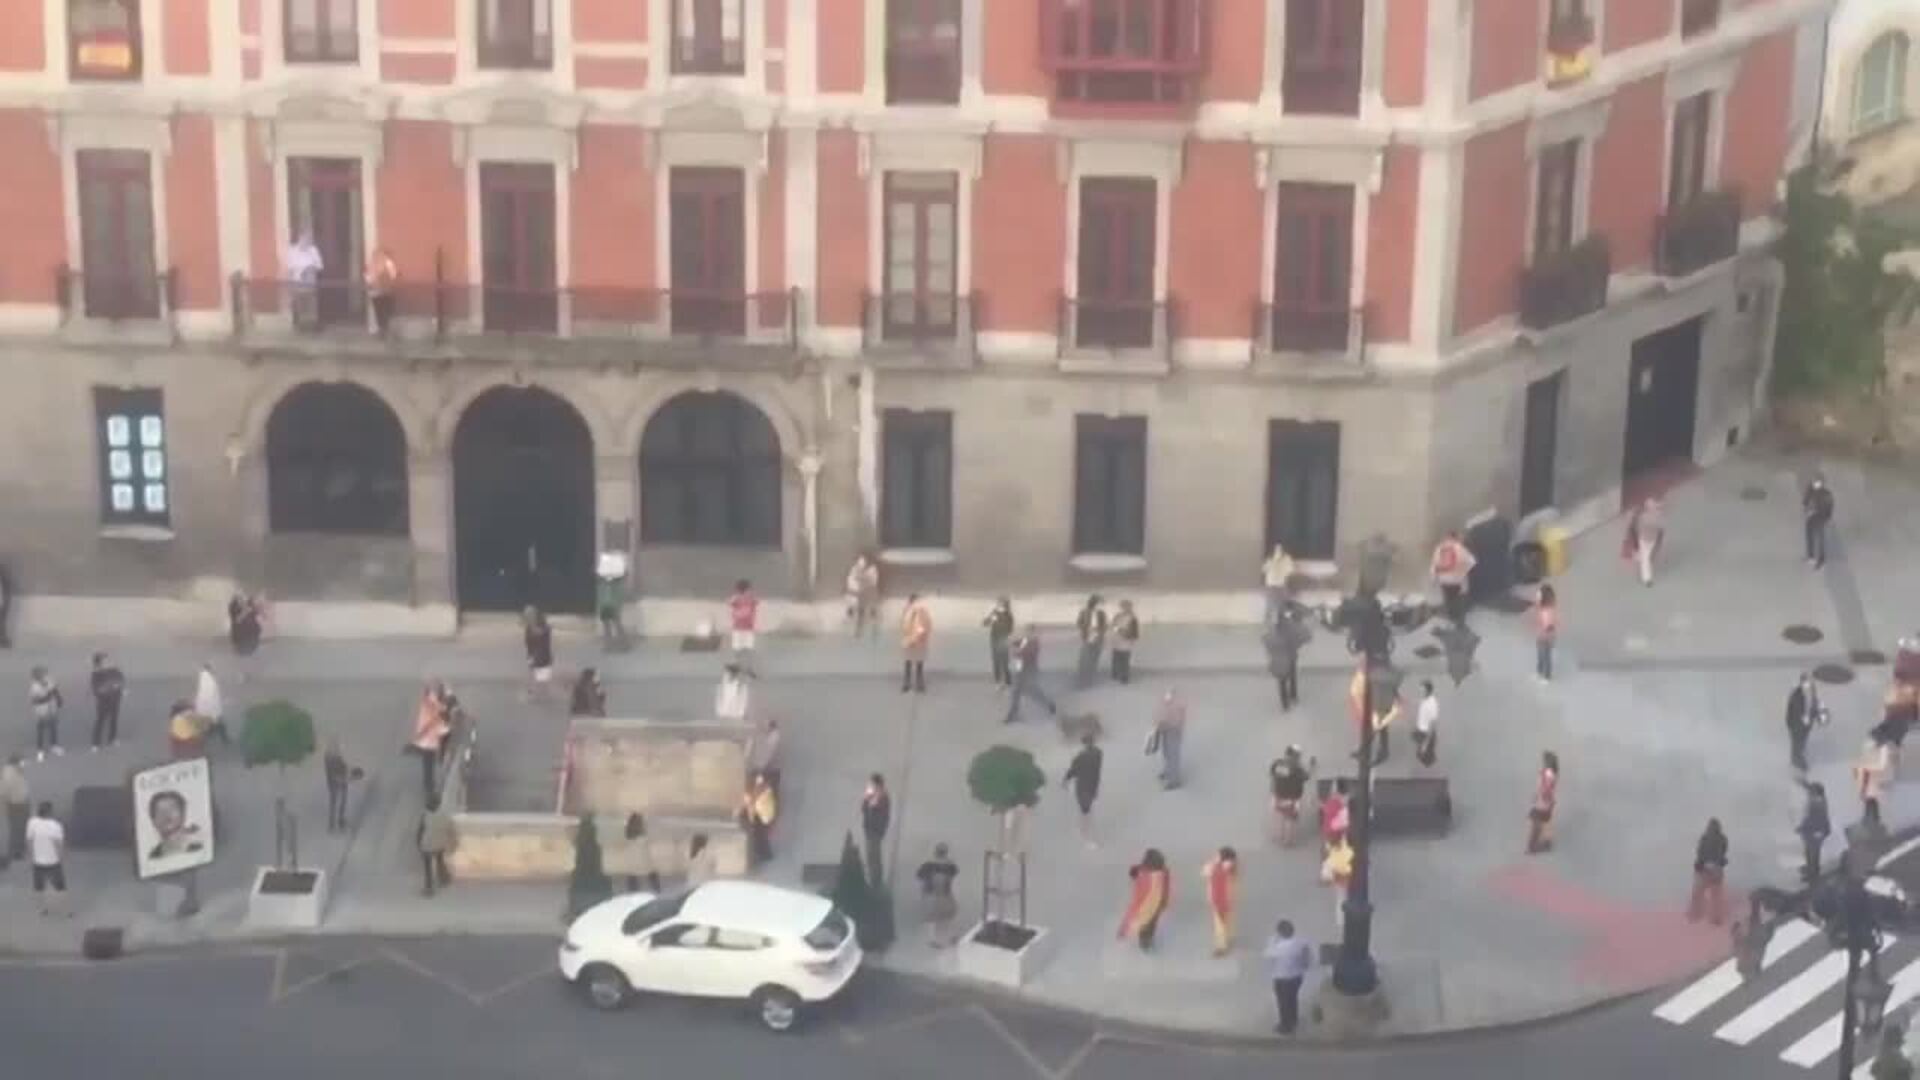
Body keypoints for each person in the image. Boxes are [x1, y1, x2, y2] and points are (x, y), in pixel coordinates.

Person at [1264, 919, 1313, 1035]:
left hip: (1281, 978)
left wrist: (1273, 941)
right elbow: (1307, 957)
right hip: (1296, 977)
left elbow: (1267, 956)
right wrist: (1304, 966)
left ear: (1280, 932)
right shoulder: (1300, 943)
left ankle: (1285, 1026)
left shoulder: (1276, 946)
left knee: (1283, 1002)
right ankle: (1293, 1020)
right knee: (1292, 999)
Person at [1117, 849, 1171, 952]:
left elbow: (1166, 888)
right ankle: (1145, 944)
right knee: (1146, 925)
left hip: (1154, 905)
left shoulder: (1162, 872)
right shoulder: (1147, 875)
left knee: (1149, 924)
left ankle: (1146, 943)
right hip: (1148, 905)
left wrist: (1164, 901)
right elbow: (1136, 904)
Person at [1006, 624, 1058, 724]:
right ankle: (1013, 713)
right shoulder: (1025, 640)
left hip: (1029, 670)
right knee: (1016, 691)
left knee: (1032, 691)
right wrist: (1011, 642)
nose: (1027, 634)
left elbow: (1024, 654)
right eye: (1027, 632)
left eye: (1030, 632)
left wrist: (1014, 651)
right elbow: (1016, 644)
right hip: (1020, 668)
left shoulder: (1034, 644)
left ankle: (1049, 704)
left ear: (1034, 634)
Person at [409, 681, 452, 800]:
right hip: (430, 740)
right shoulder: (432, 704)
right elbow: (438, 712)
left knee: (429, 763)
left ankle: (430, 786)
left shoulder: (429, 702)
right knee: (431, 762)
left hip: (431, 739)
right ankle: (431, 788)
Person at [26, 801, 67, 917]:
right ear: (50, 812)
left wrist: (31, 856)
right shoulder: (55, 826)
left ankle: (42, 910)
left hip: (38, 861)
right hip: (53, 861)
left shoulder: (32, 823)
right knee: (60, 887)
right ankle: (65, 910)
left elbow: (29, 841)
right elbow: (58, 845)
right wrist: (62, 858)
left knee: (39, 887)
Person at [915, 842, 960, 948]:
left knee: (932, 917)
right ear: (946, 853)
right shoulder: (951, 865)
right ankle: (952, 936)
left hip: (931, 893)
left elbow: (919, 876)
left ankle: (933, 939)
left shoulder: (928, 864)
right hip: (945, 893)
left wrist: (923, 891)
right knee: (949, 915)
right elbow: (954, 877)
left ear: (936, 852)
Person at [1062, 734, 1103, 847]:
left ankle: (1086, 836)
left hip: (1082, 787)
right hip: (1093, 786)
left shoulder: (1081, 757)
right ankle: (1085, 833)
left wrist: (1065, 780)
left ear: (1084, 744)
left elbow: (1073, 770)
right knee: (1087, 811)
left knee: (1085, 811)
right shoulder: (1098, 753)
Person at [1430, 531, 1477, 626]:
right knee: (1459, 602)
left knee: (1449, 601)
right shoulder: (1459, 548)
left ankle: (1451, 620)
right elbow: (1471, 562)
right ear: (1455, 538)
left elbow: (1434, 565)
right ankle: (1460, 623)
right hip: (1457, 582)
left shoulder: (1440, 548)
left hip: (1444, 581)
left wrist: (1434, 578)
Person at [1689, 818, 1730, 925]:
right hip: (1715, 869)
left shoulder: (1705, 838)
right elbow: (1724, 851)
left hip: (1706, 869)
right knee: (1715, 895)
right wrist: (1721, 861)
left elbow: (1700, 852)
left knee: (1699, 893)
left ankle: (1695, 914)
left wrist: (1700, 863)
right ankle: (1715, 918)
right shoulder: (1722, 838)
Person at [1269, 746, 1311, 847]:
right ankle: (1287, 841)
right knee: (1290, 818)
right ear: (1296, 757)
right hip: (1293, 798)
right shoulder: (1298, 769)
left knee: (1281, 815)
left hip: (1278, 795)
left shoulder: (1278, 763)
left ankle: (1279, 836)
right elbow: (1306, 777)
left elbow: (1272, 773)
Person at [146, 790, 205, 860]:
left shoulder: (201, 845)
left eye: (172, 809)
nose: (167, 815)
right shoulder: (153, 856)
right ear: (153, 821)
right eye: (161, 811)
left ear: (183, 814)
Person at [1202, 847, 1239, 957]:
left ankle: (1221, 946)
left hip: (1218, 899)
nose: (1215, 856)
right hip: (1229, 898)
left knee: (1219, 924)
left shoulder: (1214, 868)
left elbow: (1205, 873)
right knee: (1227, 919)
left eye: (1217, 855)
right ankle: (1229, 936)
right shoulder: (1233, 867)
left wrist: (1213, 863)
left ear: (1222, 857)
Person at [1265, 613, 1307, 712]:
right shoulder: (1289, 635)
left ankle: (1285, 704)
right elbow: (1297, 643)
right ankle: (1293, 696)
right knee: (1292, 677)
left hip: (1278, 661)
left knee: (1282, 683)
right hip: (1290, 659)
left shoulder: (1270, 636)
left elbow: (1267, 645)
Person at [286, 230, 324, 329]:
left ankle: (312, 324)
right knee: (300, 304)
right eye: (304, 239)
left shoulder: (313, 250)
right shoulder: (292, 251)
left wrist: (310, 268)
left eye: (308, 239)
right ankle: (301, 325)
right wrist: (291, 283)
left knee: (311, 304)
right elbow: (290, 268)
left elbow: (320, 266)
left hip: (310, 281)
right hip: (298, 281)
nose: (306, 241)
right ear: (299, 239)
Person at [1624, 497, 1664, 587]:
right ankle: (1647, 579)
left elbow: (1638, 526)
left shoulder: (1644, 516)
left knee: (1645, 555)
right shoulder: (1655, 516)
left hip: (1646, 538)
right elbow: (1660, 526)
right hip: (1648, 539)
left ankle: (1637, 556)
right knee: (1646, 557)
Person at [417, 795, 453, 897]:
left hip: (427, 844)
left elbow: (421, 830)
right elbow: (449, 828)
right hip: (439, 843)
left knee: (427, 866)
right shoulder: (444, 814)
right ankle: (444, 878)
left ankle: (429, 887)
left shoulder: (425, 815)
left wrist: (418, 842)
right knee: (440, 860)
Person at [1150, 690, 1187, 789]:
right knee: (1166, 752)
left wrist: (1161, 725)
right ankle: (1168, 771)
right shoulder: (1166, 703)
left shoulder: (1177, 706)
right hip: (1166, 730)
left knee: (1173, 755)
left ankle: (1174, 780)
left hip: (1173, 732)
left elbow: (1175, 721)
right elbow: (1160, 715)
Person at [88, 651, 124, 750]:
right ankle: (95, 743)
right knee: (100, 721)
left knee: (114, 720)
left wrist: (119, 687)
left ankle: (112, 738)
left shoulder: (114, 670)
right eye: (105, 660)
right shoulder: (96, 674)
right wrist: (110, 687)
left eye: (107, 660)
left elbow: (121, 679)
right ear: (99, 663)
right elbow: (96, 689)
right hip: (103, 701)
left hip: (115, 699)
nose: (108, 662)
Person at [1786, 673, 1822, 773]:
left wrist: (1817, 714)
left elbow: (1814, 704)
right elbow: (1797, 709)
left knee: (1802, 740)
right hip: (1796, 725)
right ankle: (1796, 761)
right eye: (1807, 683)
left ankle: (1798, 754)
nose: (1809, 685)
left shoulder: (1811, 691)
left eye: (1810, 683)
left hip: (1805, 725)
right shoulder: (1796, 695)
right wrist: (1804, 717)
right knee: (1797, 742)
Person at [740, 773, 777, 866]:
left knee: (760, 837)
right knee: (760, 837)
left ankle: (765, 854)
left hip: (762, 817)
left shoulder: (763, 791)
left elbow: (753, 801)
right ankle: (764, 854)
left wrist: (749, 801)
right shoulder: (763, 790)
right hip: (761, 816)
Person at [860, 774, 891, 886]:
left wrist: (870, 796)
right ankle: (872, 879)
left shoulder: (882, 795)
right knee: (870, 855)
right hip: (870, 829)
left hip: (876, 830)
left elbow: (875, 807)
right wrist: (867, 797)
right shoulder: (873, 795)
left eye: (871, 784)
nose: (870, 786)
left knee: (874, 856)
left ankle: (875, 881)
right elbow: (864, 808)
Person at [1527, 751, 1560, 854]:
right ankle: (1547, 842)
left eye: (1545, 760)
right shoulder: (1551, 772)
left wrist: (1540, 796)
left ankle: (1533, 846)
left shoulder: (1548, 773)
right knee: (1544, 821)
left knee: (1536, 822)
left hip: (1543, 802)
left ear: (1548, 762)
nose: (1543, 762)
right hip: (1546, 802)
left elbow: (1546, 787)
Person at [1798, 781, 1831, 884]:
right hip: (1815, 831)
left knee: (1812, 854)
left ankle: (1813, 875)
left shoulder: (1818, 803)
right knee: (1810, 852)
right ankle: (1811, 872)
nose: (1809, 794)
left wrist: (1803, 827)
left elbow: (1814, 819)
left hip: (1815, 832)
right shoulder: (1819, 800)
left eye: (1811, 792)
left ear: (1815, 793)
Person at [1321, 832, 1355, 928]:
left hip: (1340, 876)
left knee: (1341, 898)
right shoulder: (1347, 845)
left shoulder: (1330, 848)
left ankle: (1342, 921)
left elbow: (1327, 871)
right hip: (1346, 875)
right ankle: (1345, 919)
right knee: (1345, 896)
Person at [0, 756, 28, 869]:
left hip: (17, 803)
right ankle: (13, 853)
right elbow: (5, 792)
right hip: (15, 805)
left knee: (17, 829)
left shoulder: (15, 772)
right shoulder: (9, 773)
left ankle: (16, 852)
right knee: (15, 829)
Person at [1074, 595, 1108, 690]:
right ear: (1093, 603)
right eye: (1098, 603)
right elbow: (1078, 623)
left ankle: (1090, 678)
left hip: (1098, 637)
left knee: (1095, 657)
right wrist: (1086, 628)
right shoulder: (1084, 612)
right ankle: (1082, 678)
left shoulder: (1101, 613)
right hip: (1087, 636)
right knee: (1084, 659)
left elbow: (1105, 625)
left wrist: (1100, 631)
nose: (1100, 605)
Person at [900, 594, 931, 693]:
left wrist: (921, 634)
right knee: (908, 663)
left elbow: (927, 624)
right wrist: (908, 636)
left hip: (919, 641)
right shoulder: (907, 611)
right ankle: (907, 684)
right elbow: (904, 624)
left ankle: (918, 684)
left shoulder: (923, 612)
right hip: (910, 640)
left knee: (918, 664)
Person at [29, 665, 62, 761]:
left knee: (53, 727)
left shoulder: (50, 681)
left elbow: (55, 690)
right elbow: (35, 701)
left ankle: (54, 746)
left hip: (52, 708)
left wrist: (59, 698)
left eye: (46, 674)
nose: (46, 676)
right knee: (41, 730)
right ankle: (40, 751)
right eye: (44, 674)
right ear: (38, 677)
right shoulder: (34, 687)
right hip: (41, 711)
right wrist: (48, 695)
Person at [623, 813, 661, 893]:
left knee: (632, 875)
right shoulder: (642, 834)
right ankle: (657, 890)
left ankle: (632, 892)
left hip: (633, 860)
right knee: (651, 873)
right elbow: (647, 840)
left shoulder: (628, 833)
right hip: (643, 859)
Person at [364, 246, 398, 336]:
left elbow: (368, 279)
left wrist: (372, 282)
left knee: (379, 312)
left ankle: (382, 330)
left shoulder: (371, 263)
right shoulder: (388, 262)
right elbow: (393, 275)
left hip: (376, 292)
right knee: (386, 312)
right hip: (386, 291)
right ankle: (385, 330)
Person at [522, 607, 554, 701]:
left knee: (541, 678)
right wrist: (529, 655)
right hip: (534, 654)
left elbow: (541, 633)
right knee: (533, 675)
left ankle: (539, 694)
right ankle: (533, 693)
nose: (528, 618)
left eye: (529, 615)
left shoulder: (544, 627)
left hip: (543, 655)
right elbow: (527, 642)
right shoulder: (529, 628)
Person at [727, 580, 760, 672]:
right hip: (748, 626)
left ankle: (737, 665)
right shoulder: (751, 598)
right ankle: (748, 667)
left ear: (738, 589)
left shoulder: (736, 598)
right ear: (747, 589)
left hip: (738, 626)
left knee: (737, 647)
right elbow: (757, 602)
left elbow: (730, 603)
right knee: (748, 647)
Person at [846, 553, 880, 639]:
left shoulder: (872, 570)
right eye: (860, 563)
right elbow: (852, 582)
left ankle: (873, 628)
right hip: (858, 595)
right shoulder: (855, 570)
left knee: (868, 611)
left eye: (863, 563)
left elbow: (873, 582)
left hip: (866, 594)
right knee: (858, 612)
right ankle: (857, 629)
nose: (862, 565)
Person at [1804, 475, 1835, 569]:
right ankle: (1811, 557)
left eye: (1816, 482)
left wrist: (1827, 518)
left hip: (1820, 518)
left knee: (1820, 539)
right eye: (1814, 481)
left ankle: (1820, 559)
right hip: (1812, 517)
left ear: (1821, 483)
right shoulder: (1811, 491)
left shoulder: (1826, 494)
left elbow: (1829, 506)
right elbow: (1805, 502)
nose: (1815, 483)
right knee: (1811, 537)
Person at [982, 597, 1014, 688]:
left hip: (1003, 639)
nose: (998, 605)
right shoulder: (994, 613)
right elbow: (985, 623)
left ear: (1005, 605)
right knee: (996, 660)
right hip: (995, 639)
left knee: (1004, 661)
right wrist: (991, 619)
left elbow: (1009, 628)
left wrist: (998, 620)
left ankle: (1007, 681)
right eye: (998, 603)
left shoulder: (1008, 615)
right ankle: (998, 680)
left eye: (1001, 604)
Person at [746, 716, 782, 796]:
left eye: (766, 725)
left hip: (762, 768)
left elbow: (767, 753)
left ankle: (755, 791)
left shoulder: (773, 737)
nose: (765, 728)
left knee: (758, 781)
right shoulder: (771, 737)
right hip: (761, 768)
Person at [1261, 545, 1295, 628]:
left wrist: (1284, 569)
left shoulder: (1287, 558)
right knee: (1271, 603)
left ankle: (1285, 620)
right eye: (1276, 549)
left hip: (1281, 583)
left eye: (1280, 549)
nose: (1278, 551)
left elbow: (1290, 570)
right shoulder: (1270, 559)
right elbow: (1264, 569)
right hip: (1271, 584)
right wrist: (1273, 562)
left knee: (1284, 602)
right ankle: (1271, 622)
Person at [195, 663, 229, 745]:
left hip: (204, 707)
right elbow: (213, 695)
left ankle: (207, 737)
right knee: (219, 723)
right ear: (209, 669)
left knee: (208, 724)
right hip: (212, 707)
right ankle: (224, 739)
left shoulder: (203, 679)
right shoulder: (210, 681)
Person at [323, 737, 352, 833]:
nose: (337, 747)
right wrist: (341, 775)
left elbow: (342, 765)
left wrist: (346, 769)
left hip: (341, 781)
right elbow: (332, 772)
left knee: (341, 802)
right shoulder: (329, 758)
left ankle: (339, 821)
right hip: (335, 783)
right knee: (335, 803)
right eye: (335, 745)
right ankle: (333, 825)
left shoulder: (335, 756)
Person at [1534, 584, 1559, 683]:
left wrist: (1547, 636)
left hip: (1546, 638)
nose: (1537, 596)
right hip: (1541, 636)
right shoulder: (1542, 609)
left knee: (1546, 657)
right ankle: (1539, 672)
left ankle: (1547, 677)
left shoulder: (1549, 611)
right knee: (1540, 656)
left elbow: (1550, 626)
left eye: (1539, 595)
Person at [1111, 600, 1140, 684]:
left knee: (1125, 659)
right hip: (1117, 640)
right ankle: (1116, 674)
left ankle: (1124, 677)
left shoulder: (1133, 617)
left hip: (1126, 640)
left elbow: (1135, 631)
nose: (1125, 608)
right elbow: (1113, 626)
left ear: (1130, 607)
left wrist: (1131, 638)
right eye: (1123, 606)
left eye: (1127, 606)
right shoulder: (1117, 616)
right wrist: (1117, 630)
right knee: (1116, 658)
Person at [228, 592, 264, 657]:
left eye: (244, 597)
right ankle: (244, 652)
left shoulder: (249, 604)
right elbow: (237, 620)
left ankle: (251, 651)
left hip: (251, 634)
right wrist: (246, 611)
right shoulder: (234, 606)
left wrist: (258, 607)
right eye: (241, 598)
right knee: (244, 652)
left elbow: (257, 613)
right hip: (241, 634)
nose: (244, 599)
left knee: (252, 651)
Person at [1414, 680, 1440, 767]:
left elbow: (1433, 724)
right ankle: (1427, 760)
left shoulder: (1432, 704)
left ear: (1428, 690)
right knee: (1419, 753)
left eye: (1422, 690)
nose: (1420, 692)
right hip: (1422, 731)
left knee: (1422, 755)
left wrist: (1425, 743)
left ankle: (1428, 763)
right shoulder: (1425, 700)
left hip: (1426, 733)